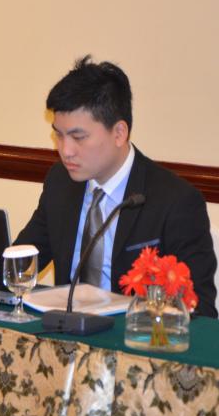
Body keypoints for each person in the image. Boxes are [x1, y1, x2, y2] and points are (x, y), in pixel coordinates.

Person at [15, 56, 217, 317]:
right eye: (59, 135)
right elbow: (21, 265)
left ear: (119, 133)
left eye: (78, 137)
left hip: (133, 336)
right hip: (65, 332)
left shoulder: (176, 201)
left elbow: (200, 311)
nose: (65, 150)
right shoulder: (60, 182)